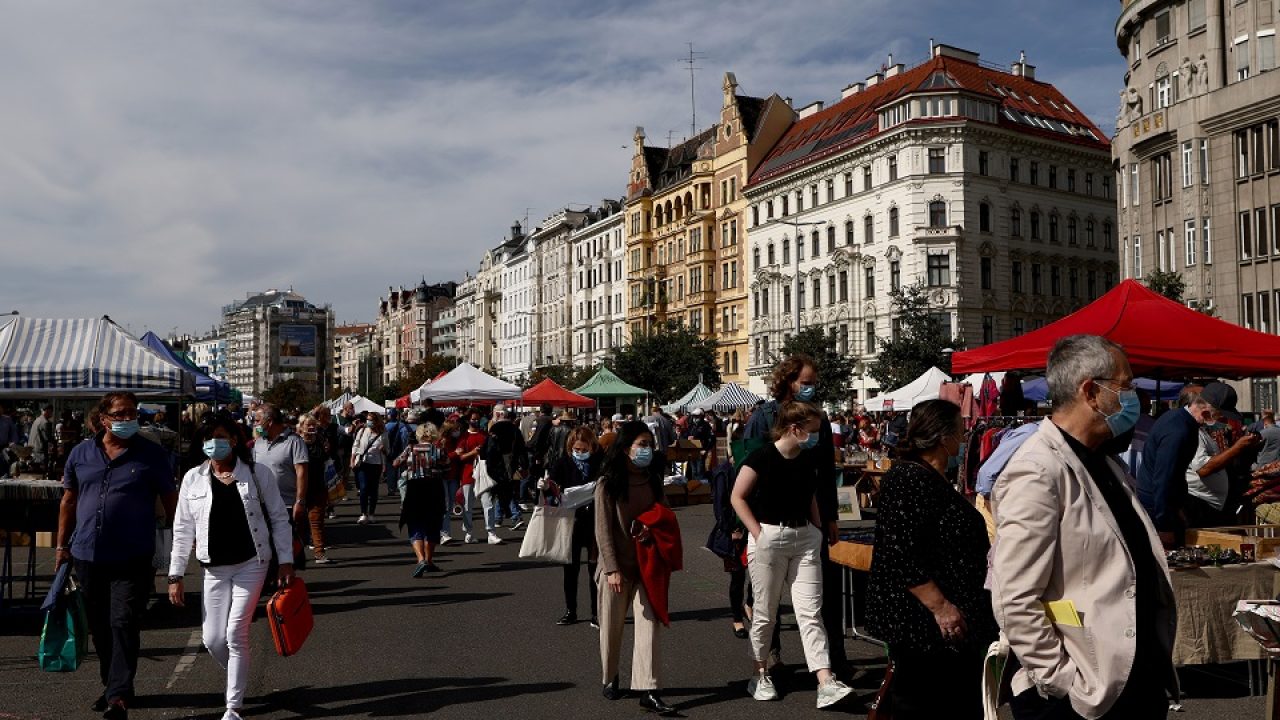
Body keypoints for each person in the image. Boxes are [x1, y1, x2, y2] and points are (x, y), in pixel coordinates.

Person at [993, 335, 1177, 719]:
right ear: (1091, 392)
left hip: (1130, 680)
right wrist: (1063, 681)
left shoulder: (1105, 461)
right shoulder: (1037, 470)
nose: (1133, 396)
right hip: (1083, 695)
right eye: (1125, 385)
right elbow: (1015, 598)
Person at [865, 399, 996, 718]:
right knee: (926, 706)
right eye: (960, 429)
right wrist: (942, 609)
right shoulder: (909, 479)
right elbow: (902, 554)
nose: (965, 435)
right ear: (942, 436)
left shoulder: (928, 477)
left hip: (942, 630)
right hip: (925, 628)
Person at [55, 392, 178, 720]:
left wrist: (172, 555)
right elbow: (68, 500)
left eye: (132, 413)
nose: (128, 419)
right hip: (87, 554)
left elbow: (170, 502)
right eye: (120, 414)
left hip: (133, 555)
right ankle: (113, 685)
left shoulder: (151, 455)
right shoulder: (81, 453)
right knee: (99, 626)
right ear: (104, 418)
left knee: (123, 621)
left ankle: (119, 695)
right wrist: (61, 546)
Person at [167, 416, 294, 720]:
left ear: (235, 440)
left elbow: (278, 517)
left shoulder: (257, 474)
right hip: (213, 568)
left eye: (221, 437)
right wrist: (176, 574)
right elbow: (183, 529)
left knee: (236, 633)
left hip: (252, 563)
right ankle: (239, 672)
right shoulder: (192, 479)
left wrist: (286, 560)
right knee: (212, 639)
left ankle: (233, 707)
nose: (214, 444)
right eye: (208, 438)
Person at [732, 401, 854, 709]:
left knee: (810, 612)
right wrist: (758, 534)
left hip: (804, 538)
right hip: (769, 537)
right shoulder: (762, 456)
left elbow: (810, 494)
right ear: (794, 428)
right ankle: (759, 674)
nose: (817, 436)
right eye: (812, 431)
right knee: (765, 613)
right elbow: (738, 496)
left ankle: (825, 681)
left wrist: (815, 528)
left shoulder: (807, 458)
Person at [741, 354, 845, 673]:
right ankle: (770, 657)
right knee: (768, 597)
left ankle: (834, 660)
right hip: (769, 521)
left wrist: (831, 517)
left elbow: (827, 472)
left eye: (814, 383)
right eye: (806, 383)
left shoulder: (819, 419)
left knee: (823, 594)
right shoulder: (763, 417)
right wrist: (747, 529)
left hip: (810, 519)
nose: (811, 388)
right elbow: (745, 470)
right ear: (789, 381)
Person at [595, 421, 677, 716]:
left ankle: (649, 689)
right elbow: (602, 530)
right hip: (616, 567)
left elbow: (665, 517)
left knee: (649, 627)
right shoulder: (608, 483)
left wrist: (651, 528)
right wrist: (611, 568)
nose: (647, 450)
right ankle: (611, 675)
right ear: (626, 446)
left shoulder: (653, 480)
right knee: (611, 627)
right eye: (642, 444)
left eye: (650, 444)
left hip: (647, 565)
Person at [1138, 381, 1255, 545]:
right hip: (1159, 511)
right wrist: (1165, 526)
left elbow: (1175, 476)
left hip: (1171, 507)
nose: (1222, 420)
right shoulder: (1179, 430)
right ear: (1207, 412)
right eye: (1220, 415)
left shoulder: (1184, 422)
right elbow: (1164, 480)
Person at [547, 426, 603, 627]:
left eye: (583, 448)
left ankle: (597, 612)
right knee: (570, 569)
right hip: (571, 520)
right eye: (576, 449)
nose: (579, 453)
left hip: (595, 519)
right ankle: (571, 610)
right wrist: (547, 487)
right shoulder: (563, 462)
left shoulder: (600, 461)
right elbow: (552, 486)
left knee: (594, 568)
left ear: (592, 445)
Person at [251, 405, 309, 561]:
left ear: (268, 421)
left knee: (285, 547)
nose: (254, 424)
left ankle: (287, 579)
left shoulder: (294, 441)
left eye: (257, 421)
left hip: (287, 505)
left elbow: (301, 472)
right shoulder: (259, 443)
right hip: (262, 505)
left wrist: (300, 501)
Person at [394, 423, 447, 577]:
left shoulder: (410, 449)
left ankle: (421, 559)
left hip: (415, 489)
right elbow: (448, 469)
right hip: (434, 489)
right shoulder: (438, 450)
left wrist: (410, 467)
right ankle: (429, 560)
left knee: (415, 523)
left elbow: (396, 463)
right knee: (433, 524)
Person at [295, 413, 333, 564]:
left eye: (313, 425)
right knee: (299, 524)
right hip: (299, 488)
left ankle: (319, 552)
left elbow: (324, 459)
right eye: (308, 425)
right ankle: (296, 554)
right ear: (301, 427)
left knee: (317, 521)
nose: (311, 427)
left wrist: (326, 449)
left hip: (318, 486)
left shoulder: (321, 440)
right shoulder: (296, 442)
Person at [484, 406, 526, 531]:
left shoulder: (495, 428)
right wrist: (524, 464)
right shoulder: (510, 429)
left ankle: (509, 516)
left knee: (503, 489)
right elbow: (520, 447)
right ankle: (509, 516)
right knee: (505, 489)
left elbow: (489, 448)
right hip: (506, 463)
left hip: (500, 463)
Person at [455, 410, 490, 543]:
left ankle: (491, 531)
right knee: (468, 506)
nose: (475, 421)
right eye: (473, 419)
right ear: (468, 420)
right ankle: (468, 532)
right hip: (467, 474)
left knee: (488, 503)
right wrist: (473, 452)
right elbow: (461, 457)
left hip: (483, 473)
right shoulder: (463, 437)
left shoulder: (484, 435)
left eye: (477, 419)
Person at [351, 413, 386, 524]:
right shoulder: (362, 431)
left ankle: (371, 513)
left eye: (370, 420)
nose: (368, 422)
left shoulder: (383, 434)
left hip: (376, 464)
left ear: (377, 421)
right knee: (364, 488)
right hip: (362, 463)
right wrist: (352, 460)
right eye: (367, 420)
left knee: (374, 489)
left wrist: (383, 449)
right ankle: (363, 514)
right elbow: (355, 445)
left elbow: (388, 451)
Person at [438, 416, 464, 544]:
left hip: (452, 476)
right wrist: (455, 454)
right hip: (443, 476)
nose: (457, 431)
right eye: (455, 429)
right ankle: (443, 533)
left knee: (449, 505)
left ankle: (444, 532)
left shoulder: (455, 440)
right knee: (445, 505)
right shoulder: (441, 441)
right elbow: (441, 458)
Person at [383, 409, 412, 499]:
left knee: (390, 470)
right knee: (402, 469)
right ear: (396, 416)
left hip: (389, 451)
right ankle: (402, 486)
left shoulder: (385, 426)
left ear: (389, 416)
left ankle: (391, 488)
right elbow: (405, 438)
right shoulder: (403, 426)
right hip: (400, 450)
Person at [28, 403, 56, 475]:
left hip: (33, 450)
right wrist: (55, 443)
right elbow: (47, 438)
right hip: (40, 453)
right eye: (51, 411)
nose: (52, 413)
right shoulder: (45, 422)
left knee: (35, 473)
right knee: (41, 474)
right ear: (47, 411)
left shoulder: (37, 420)